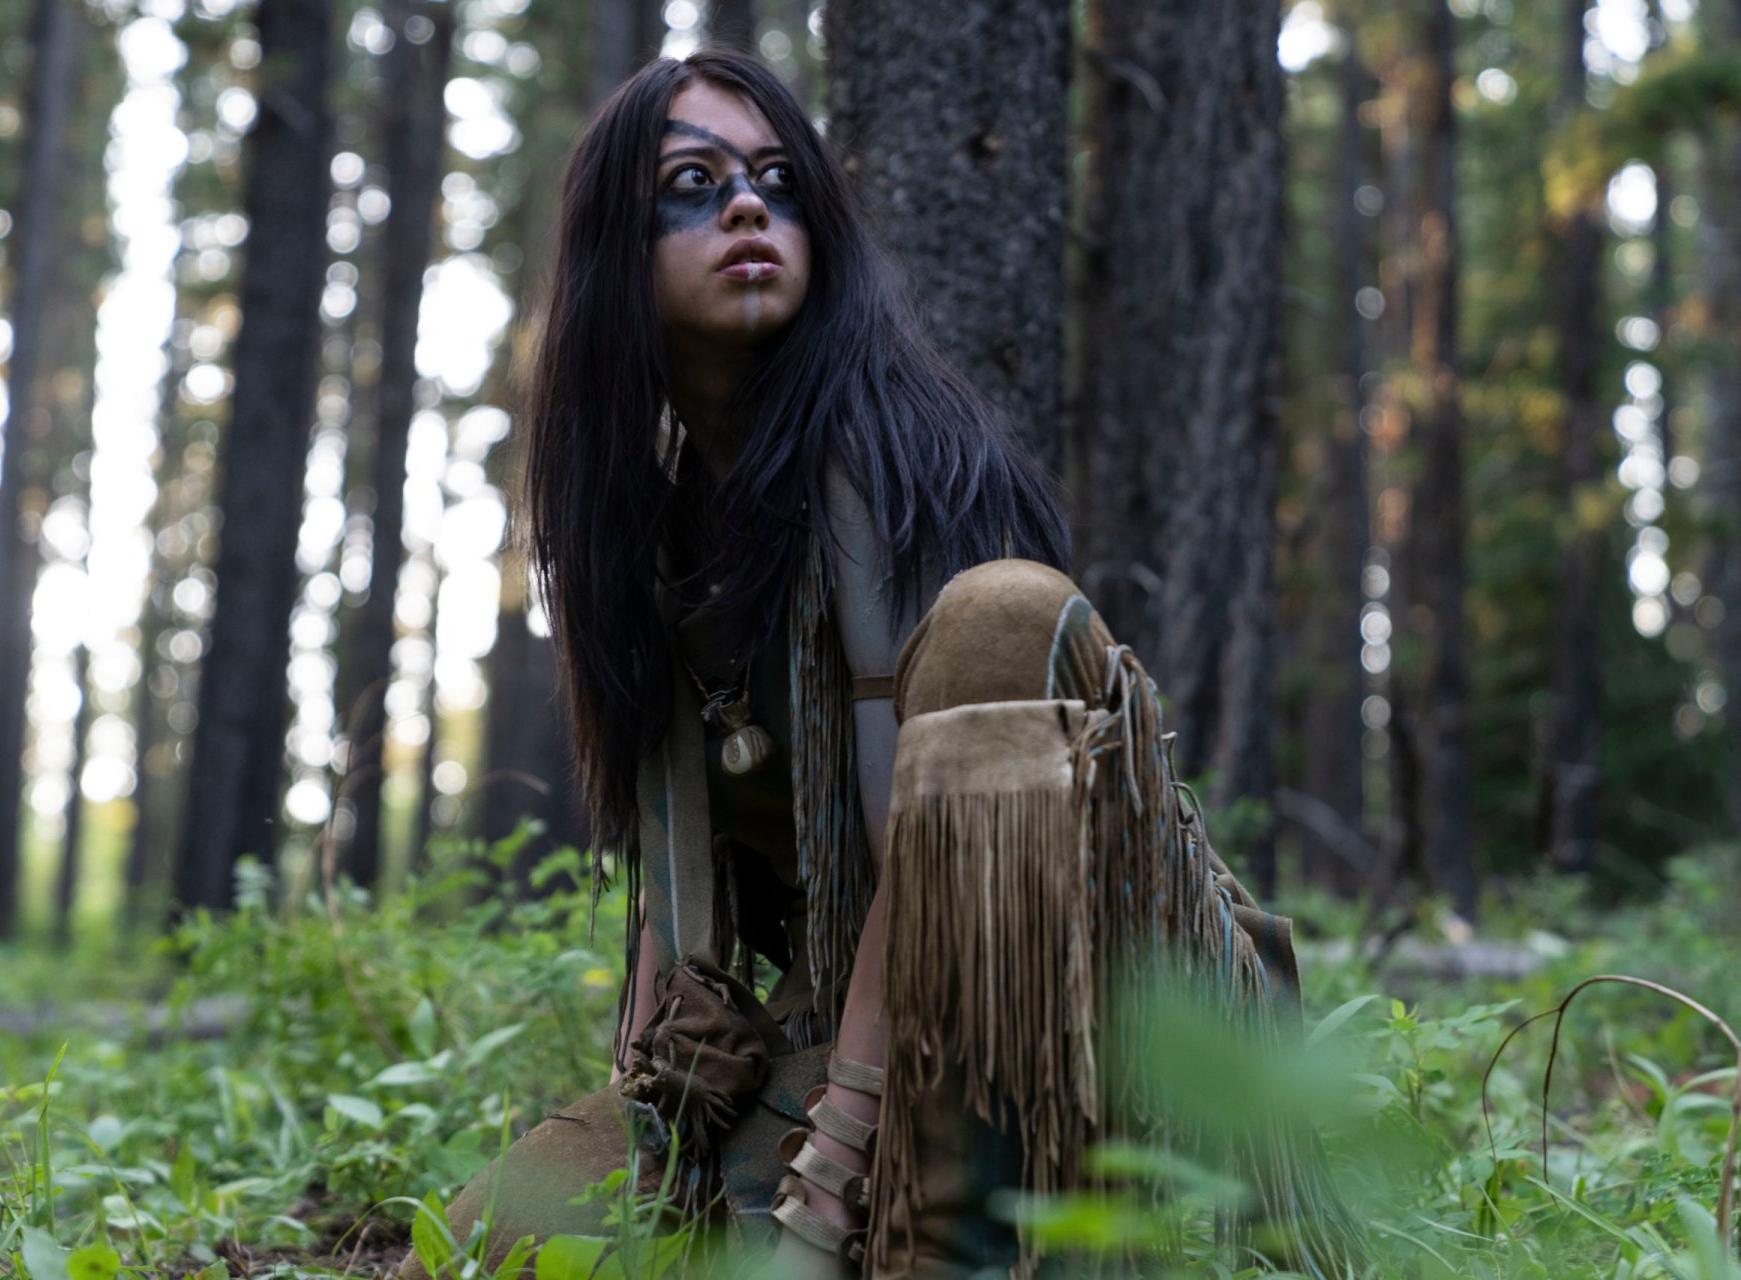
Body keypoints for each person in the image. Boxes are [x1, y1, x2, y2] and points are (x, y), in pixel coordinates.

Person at [401, 48, 1325, 1279]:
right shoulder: (654, 550)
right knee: (471, 1247)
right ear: (613, 252)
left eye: (780, 181)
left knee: (1004, 615)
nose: (747, 206)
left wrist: (827, 1173)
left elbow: (950, 869)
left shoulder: (920, 460)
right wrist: (667, 1101)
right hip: (851, 1036)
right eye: (694, 181)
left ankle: (950, 1250)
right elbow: (685, 916)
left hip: (1099, 1019)